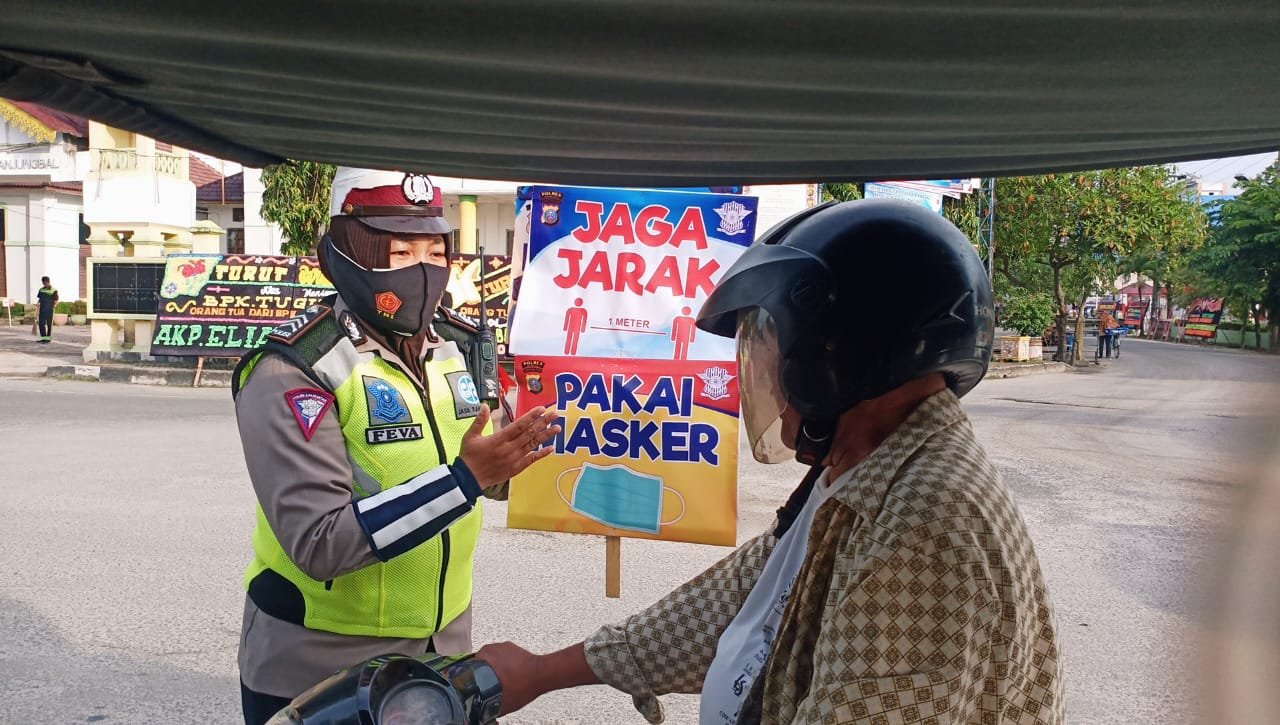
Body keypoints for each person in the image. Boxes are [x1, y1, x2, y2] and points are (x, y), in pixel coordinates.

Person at [477, 199, 1064, 724]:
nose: (762, 378)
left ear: (840, 354)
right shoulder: (858, 470)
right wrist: (541, 673)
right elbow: (729, 605)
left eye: (772, 349)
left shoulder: (927, 528)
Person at [231, 167, 560, 725]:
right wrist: (463, 481)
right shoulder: (296, 369)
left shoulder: (460, 347)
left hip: (442, 655)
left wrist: (523, 453)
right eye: (401, 253)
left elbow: (494, 475)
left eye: (435, 250)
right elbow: (319, 543)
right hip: (319, 664)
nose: (424, 270)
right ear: (345, 253)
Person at [35, 276, 58, 343]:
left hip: (50, 310)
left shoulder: (53, 290)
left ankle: (48, 339)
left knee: (49, 325)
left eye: (45, 282)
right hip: (42, 310)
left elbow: (56, 299)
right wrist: (38, 303)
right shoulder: (41, 290)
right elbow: (39, 299)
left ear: (48, 282)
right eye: (43, 282)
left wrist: (55, 305)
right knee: (41, 324)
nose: (44, 284)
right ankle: (44, 338)